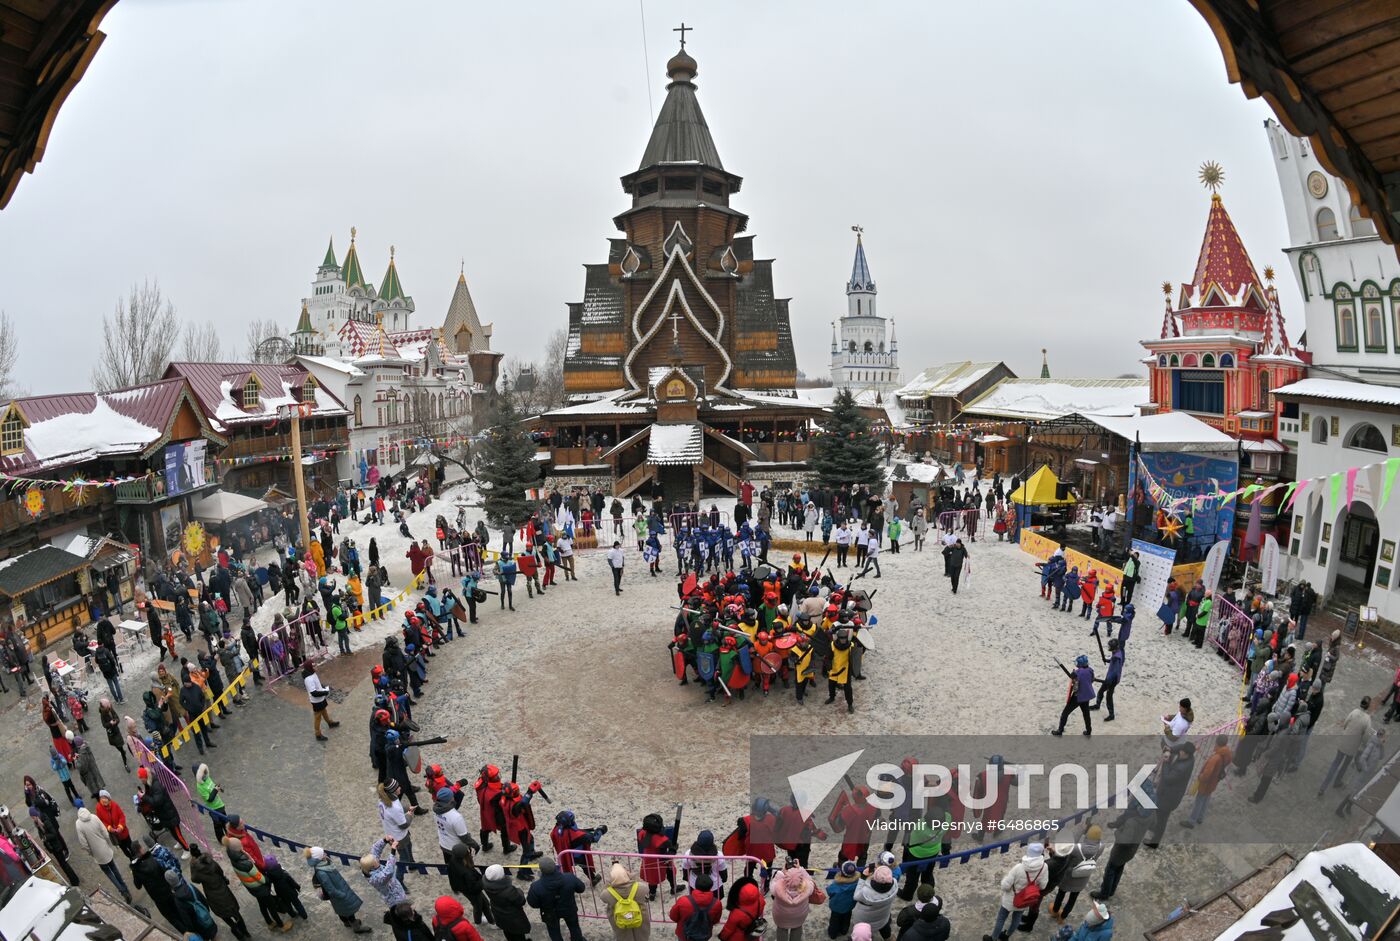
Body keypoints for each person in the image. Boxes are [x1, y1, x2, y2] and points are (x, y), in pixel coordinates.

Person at [984, 843, 1047, 941]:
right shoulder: (1044, 867)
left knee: (1001, 918)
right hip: (1026, 899)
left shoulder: (1019, 867)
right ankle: (1006, 936)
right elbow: (1043, 885)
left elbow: (1005, 886)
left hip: (1010, 899)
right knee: (1017, 918)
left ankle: (993, 938)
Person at [190, 844, 252, 941]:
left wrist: (192, 865)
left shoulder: (196, 869)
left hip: (212, 894)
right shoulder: (211, 862)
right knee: (235, 912)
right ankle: (245, 932)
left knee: (225, 916)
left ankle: (240, 936)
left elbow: (194, 880)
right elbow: (220, 871)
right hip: (222, 888)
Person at [306, 845, 373, 933]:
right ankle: (356, 927)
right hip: (339, 895)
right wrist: (342, 895)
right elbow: (331, 890)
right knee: (348, 911)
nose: (325, 853)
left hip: (340, 890)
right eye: (323, 854)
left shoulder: (324, 864)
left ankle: (347, 922)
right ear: (319, 858)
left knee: (341, 910)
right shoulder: (322, 873)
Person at [1317, 697, 1374, 795]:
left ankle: (1323, 787)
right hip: (1353, 745)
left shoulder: (1354, 712)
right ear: (1368, 706)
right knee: (1345, 764)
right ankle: (1337, 781)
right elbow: (1366, 737)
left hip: (1344, 741)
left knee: (1335, 763)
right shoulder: (1367, 719)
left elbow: (1345, 723)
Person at [75, 803, 131, 901]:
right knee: (114, 869)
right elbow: (105, 832)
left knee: (109, 873)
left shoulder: (78, 824)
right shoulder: (94, 817)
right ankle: (125, 887)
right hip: (105, 848)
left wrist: (90, 852)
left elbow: (84, 844)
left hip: (97, 854)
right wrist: (108, 844)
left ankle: (122, 891)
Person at [527, 856, 587, 941]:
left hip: (550, 913)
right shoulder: (569, 877)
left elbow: (533, 903)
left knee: (554, 932)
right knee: (574, 927)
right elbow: (581, 888)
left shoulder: (536, 887)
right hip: (569, 908)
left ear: (541, 870)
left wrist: (543, 904)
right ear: (555, 866)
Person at [1183, 735, 1233, 828]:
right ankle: (1200, 817)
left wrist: (1200, 777)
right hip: (1214, 781)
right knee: (1206, 799)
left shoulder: (1215, 758)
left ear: (1217, 743)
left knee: (1199, 801)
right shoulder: (1228, 753)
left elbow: (1206, 775)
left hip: (1206, 783)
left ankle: (1191, 821)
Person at [770, 858, 818, 941]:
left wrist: (781, 872)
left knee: (782, 930)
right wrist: (800, 869)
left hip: (781, 915)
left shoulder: (778, 886)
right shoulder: (807, 887)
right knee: (797, 928)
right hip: (799, 915)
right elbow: (809, 879)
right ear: (800, 878)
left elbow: (773, 884)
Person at [483, 864, 532, 941]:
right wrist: (519, 891)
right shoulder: (509, 891)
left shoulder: (486, 885)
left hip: (498, 913)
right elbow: (521, 901)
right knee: (518, 935)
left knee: (507, 931)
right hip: (512, 918)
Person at [604, 862, 651, 941]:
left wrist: (608, 885)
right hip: (639, 915)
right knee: (641, 934)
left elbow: (603, 897)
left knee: (624, 935)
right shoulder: (639, 887)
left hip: (620, 918)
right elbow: (647, 889)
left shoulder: (607, 893)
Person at [1051, 655, 1097, 737]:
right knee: (1086, 714)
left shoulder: (1076, 673)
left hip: (1077, 697)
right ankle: (1089, 731)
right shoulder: (1090, 670)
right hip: (1086, 696)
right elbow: (1092, 680)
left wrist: (1075, 679)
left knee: (1065, 713)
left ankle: (1060, 730)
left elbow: (1074, 683)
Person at [670, 873, 722, 941]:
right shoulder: (717, 904)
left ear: (695, 885)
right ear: (711, 887)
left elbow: (673, 917)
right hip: (704, 934)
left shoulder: (683, 901)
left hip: (684, 934)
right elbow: (715, 920)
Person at [851, 866, 897, 940]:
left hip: (865, 919)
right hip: (883, 915)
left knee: (863, 933)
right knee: (885, 927)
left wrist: (863, 878)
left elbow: (856, 896)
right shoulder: (894, 884)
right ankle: (889, 938)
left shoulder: (866, 892)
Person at [303, 662, 340, 741]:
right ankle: (318, 734)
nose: (316, 666)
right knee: (317, 717)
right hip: (316, 701)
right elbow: (314, 693)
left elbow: (317, 686)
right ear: (310, 667)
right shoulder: (308, 679)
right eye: (314, 666)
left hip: (320, 698)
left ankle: (330, 723)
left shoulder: (313, 674)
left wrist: (323, 689)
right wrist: (325, 692)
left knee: (324, 711)